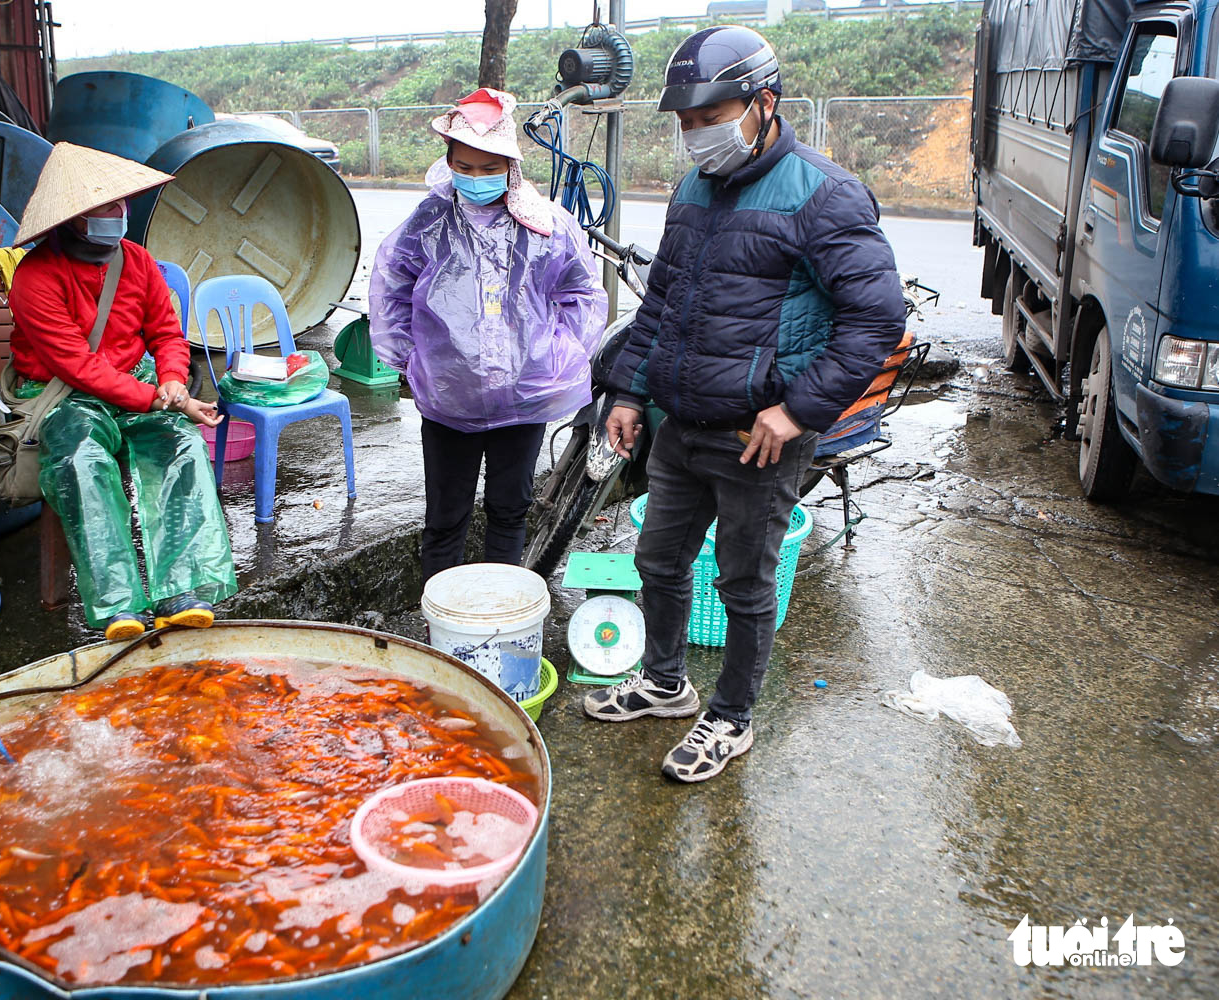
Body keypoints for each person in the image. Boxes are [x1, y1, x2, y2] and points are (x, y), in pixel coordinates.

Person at [584, 27, 906, 782]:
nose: (696, 135)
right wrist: (631, 390)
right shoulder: (694, 189)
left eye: (711, 115)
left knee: (743, 584)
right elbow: (660, 301)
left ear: (764, 103)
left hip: (758, 437)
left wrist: (798, 412)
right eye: (686, 121)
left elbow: (876, 319)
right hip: (680, 427)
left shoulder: (826, 195)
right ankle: (665, 683)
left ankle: (730, 717)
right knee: (657, 561)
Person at [369, 88, 608, 582]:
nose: (476, 180)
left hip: (521, 398)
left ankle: (501, 612)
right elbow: (392, 287)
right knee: (444, 516)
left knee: (509, 509)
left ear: (510, 166)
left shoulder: (546, 224)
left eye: (488, 169)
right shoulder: (429, 222)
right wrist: (412, 362)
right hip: (448, 398)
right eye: (465, 168)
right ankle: (442, 625)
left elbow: (581, 292)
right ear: (449, 163)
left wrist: (554, 358)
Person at [7, 142, 238, 640]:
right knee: (81, 458)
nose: (118, 215)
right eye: (103, 208)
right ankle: (118, 605)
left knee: (179, 444)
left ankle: (182, 589)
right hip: (63, 394)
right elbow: (77, 365)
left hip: (137, 384)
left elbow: (166, 334)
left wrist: (173, 381)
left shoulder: (136, 260)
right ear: (72, 218)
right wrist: (154, 397)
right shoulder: (34, 278)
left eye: (119, 204)